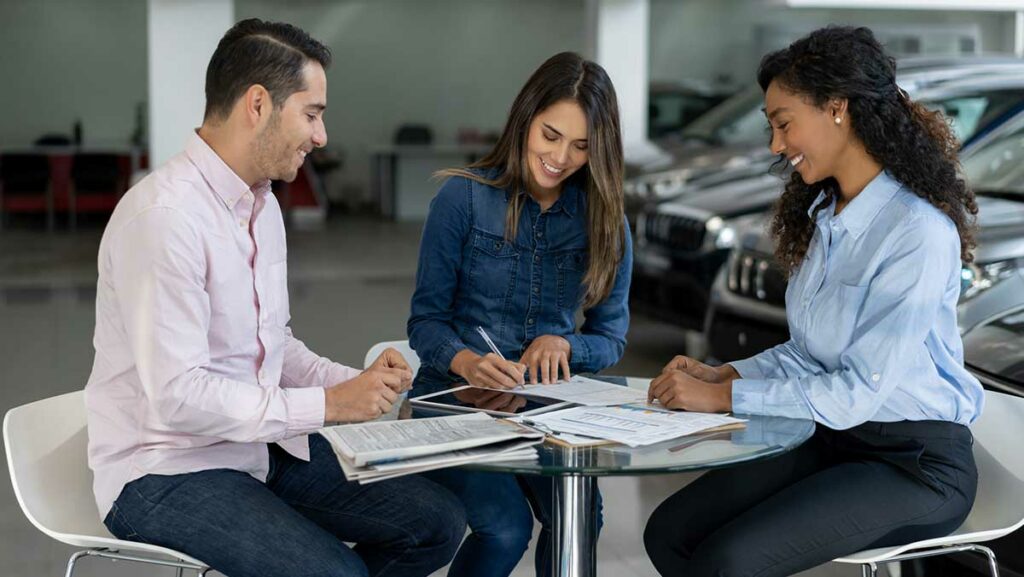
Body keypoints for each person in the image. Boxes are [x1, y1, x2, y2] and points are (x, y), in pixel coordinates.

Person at [85, 19, 465, 577]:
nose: (321, 137)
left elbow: (271, 346)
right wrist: (331, 407)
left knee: (436, 523)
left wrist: (353, 385)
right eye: (312, 114)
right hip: (164, 470)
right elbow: (178, 396)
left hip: (255, 448)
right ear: (258, 104)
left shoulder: (260, 206)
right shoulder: (164, 219)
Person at [643, 26, 984, 577]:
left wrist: (727, 398)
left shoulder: (916, 232)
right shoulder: (827, 218)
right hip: (835, 438)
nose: (776, 145)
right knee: (670, 534)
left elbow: (855, 393)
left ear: (837, 109)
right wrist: (722, 374)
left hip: (917, 466)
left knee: (727, 563)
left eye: (782, 123)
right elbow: (809, 356)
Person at [406, 51, 632, 577]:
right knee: (505, 526)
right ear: (525, 118)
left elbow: (611, 337)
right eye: (550, 135)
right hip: (453, 399)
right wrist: (465, 361)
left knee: (579, 518)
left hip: (547, 408)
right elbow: (425, 322)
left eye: (581, 146)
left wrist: (569, 347)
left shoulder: (606, 220)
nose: (560, 157)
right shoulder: (461, 199)